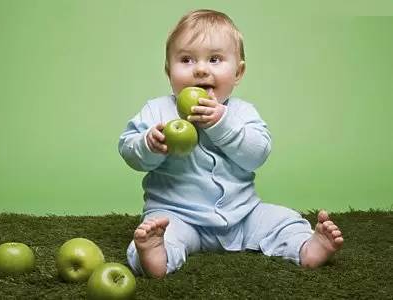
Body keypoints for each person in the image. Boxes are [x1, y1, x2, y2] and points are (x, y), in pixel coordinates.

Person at [118, 9, 343, 278]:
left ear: (238, 71)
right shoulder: (156, 111)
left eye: (215, 59)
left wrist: (220, 124)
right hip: (178, 215)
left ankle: (307, 246)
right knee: (159, 232)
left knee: (284, 219)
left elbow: (257, 154)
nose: (201, 68)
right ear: (169, 71)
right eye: (186, 60)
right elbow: (128, 150)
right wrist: (148, 145)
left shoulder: (242, 113)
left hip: (243, 214)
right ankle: (155, 256)